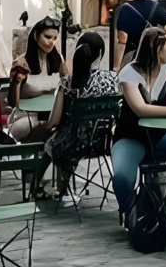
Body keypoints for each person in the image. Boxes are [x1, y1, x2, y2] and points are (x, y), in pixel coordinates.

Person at [111, 26, 166, 219]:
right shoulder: (129, 73)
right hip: (130, 138)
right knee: (121, 178)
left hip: (159, 137)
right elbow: (141, 109)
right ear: (156, 50)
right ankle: (134, 216)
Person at [44, 32, 121, 206]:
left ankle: (55, 189)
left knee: (52, 141)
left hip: (73, 145)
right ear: (100, 54)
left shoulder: (69, 82)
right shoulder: (113, 79)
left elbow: (54, 122)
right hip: (102, 144)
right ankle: (63, 190)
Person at [7, 16, 64, 141]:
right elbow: (12, 103)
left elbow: (65, 89)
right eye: (47, 37)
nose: (51, 42)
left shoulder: (58, 60)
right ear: (35, 36)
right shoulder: (22, 63)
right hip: (27, 117)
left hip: (53, 116)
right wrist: (16, 82)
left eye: (55, 38)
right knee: (24, 127)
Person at [114, 0, 166, 70]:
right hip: (152, 59)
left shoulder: (125, 9)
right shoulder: (154, 6)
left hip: (133, 60)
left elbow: (122, 39)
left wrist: (117, 67)